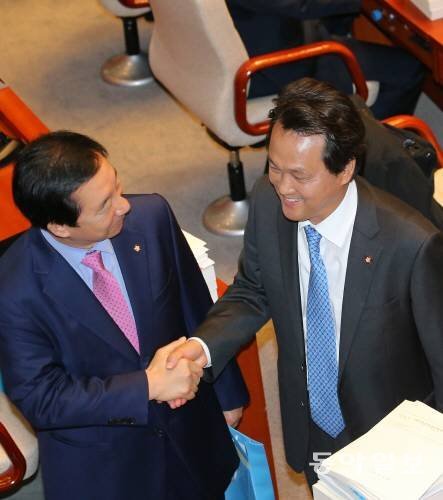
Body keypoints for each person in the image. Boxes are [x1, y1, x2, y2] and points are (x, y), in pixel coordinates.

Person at [166, 78, 443, 488]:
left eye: (299, 175)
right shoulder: (268, 201)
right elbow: (254, 289)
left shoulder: (412, 246)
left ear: (345, 169)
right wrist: (201, 347)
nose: (283, 187)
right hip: (311, 425)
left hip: (389, 441)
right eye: (274, 167)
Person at [0, 131, 248, 500]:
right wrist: (148, 386)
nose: (123, 206)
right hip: (107, 467)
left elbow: (195, 305)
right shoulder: (14, 288)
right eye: (104, 205)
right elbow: (41, 398)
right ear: (60, 226)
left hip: (191, 433)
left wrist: (228, 394)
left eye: (116, 185)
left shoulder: (152, 217)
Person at [226, 0, 424, 120]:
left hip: (262, 44)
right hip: (275, 68)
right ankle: (371, 157)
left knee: (341, 22)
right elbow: (302, 4)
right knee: (409, 69)